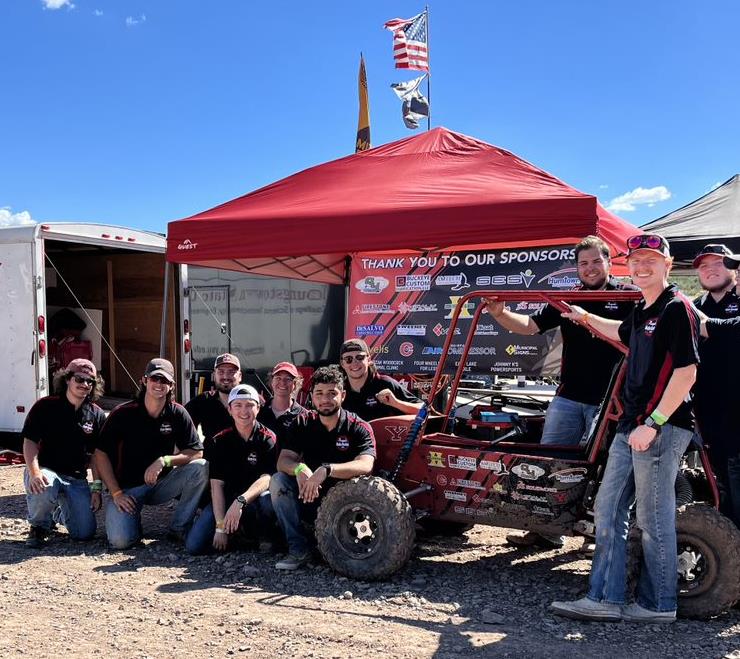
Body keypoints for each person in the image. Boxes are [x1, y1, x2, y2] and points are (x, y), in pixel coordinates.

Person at [551, 233, 699, 623]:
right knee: (608, 506)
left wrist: (653, 423)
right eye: (636, 260)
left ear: (668, 265)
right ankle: (605, 597)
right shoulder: (646, 310)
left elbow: (686, 374)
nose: (642, 266)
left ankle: (658, 605)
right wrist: (584, 317)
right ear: (627, 266)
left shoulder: (675, 308)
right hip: (630, 426)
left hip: (658, 428)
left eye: (651, 259)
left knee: (652, 517)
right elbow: (619, 332)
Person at [486, 235, 637, 549]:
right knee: (550, 462)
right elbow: (530, 325)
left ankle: (596, 533)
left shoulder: (628, 297)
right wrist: (500, 314)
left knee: (604, 465)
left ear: (609, 262)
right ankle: (546, 529)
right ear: (577, 268)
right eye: (584, 263)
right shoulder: (567, 297)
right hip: (569, 395)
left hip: (611, 400)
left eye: (597, 261)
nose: (590, 268)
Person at [269, 365, 376, 570]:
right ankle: (298, 549)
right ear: (312, 396)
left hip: (345, 503)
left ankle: (346, 552)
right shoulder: (301, 422)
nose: (325, 399)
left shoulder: (358, 426)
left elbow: (366, 464)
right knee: (278, 481)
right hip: (308, 494)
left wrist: (327, 469)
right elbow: (283, 461)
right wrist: (300, 469)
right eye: (319, 393)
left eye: (331, 393)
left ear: (342, 395)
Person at [94, 358, 208, 549]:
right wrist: (116, 492)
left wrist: (165, 460)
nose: (159, 384)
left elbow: (197, 452)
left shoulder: (178, 413)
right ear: (144, 380)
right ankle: (131, 520)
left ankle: (178, 528)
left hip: (161, 484)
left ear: (171, 386)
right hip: (127, 489)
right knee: (121, 542)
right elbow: (100, 453)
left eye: (164, 381)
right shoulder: (123, 413)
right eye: (155, 378)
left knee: (201, 468)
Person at [21, 359, 106, 548]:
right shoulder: (45, 406)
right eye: (80, 379)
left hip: (75, 479)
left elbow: (96, 457)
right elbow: (29, 442)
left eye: (90, 381)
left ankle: (57, 513)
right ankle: (39, 527)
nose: (85, 384)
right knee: (45, 482)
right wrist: (34, 472)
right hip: (46, 470)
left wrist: (96, 489)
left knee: (85, 534)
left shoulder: (96, 414)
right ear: (67, 379)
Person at [186, 384, 278, 555]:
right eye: (238, 405)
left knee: (268, 501)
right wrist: (220, 527)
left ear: (258, 408)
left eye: (250, 405)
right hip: (227, 500)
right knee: (194, 547)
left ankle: (264, 535)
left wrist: (241, 501)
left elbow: (267, 477)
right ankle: (233, 532)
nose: (244, 411)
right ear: (229, 409)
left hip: (253, 499)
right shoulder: (220, 441)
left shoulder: (268, 438)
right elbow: (216, 485)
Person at [693, 248, 740, 525]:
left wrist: (701, 324)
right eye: (703, 266)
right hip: (708, 410)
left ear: (732, 268)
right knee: (719, 477)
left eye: (718, 264)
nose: (710, 269)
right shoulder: (696, 304)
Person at [339, 338, 423, 421]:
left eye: (360, 357)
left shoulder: (385, 383)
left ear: (368, 359)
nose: (354, 363)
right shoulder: (339, 390)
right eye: (348, 359)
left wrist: (396, 403)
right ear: (342, 363)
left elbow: (424, 410)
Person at [185, 353, 242, 451]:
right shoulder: (203, 401)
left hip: (244, 461)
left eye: (231, 372)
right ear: (214, 375)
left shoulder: (251, 401)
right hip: (211, 462)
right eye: (221, 372)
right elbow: (181, 423)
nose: (225, 376)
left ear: (240, 376)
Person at [256, 361, 306, 447]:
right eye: (278, 378)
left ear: (295, 384)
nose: (283, 382)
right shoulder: (258, 412)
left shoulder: (304, 416)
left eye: (288, 379)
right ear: (272, 382)